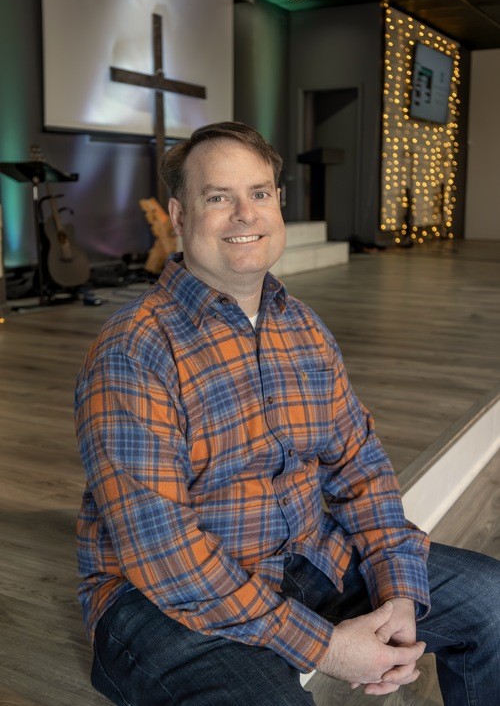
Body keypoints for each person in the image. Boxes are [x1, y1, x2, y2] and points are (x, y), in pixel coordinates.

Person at [75, 121, 500, 705]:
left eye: (260, 193)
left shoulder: (302, 325)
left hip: (304, 559)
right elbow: (163, 551)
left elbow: (359, 468)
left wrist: (398, 588)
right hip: (160, 602)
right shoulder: (134, 349)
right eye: (218, 197)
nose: (245, 214)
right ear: (179, 215)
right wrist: (326, 647)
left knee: (491, 603)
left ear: (278, 204)